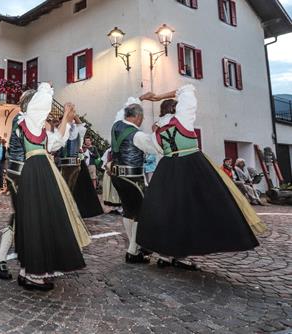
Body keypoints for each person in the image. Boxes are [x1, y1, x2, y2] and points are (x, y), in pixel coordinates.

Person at [137, 85, 264, 270]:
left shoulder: (157, 132)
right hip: (191, 166)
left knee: (169, 211)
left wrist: (146, 103)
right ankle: (180, 256)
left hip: (167, 170)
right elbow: (186, 88)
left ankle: (164, 254)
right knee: (194, 210)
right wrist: (156, 97)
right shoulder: (183, 119)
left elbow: (152, 147)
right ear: (176, 108)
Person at [15, 83, 90, 291]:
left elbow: (56, 142)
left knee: (40, 219)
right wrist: (46, 89)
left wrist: (67, 116)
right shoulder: (28, 120)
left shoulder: (34, 127)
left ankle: (27, 271)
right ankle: (34, 275)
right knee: (38, 219)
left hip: (41, 170)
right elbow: (40, 106)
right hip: (37, 172)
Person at [0, 90, 36, 280]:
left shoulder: (27, 120)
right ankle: (23, 265)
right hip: (19, 174)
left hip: (24, 173)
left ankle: (1, 259)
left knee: (22, 216)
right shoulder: (22, 119)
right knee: (24, 216)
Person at [110, 99, 158, 264]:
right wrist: (156, 133)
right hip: (132, 178)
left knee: (128, 211)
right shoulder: (137, 134)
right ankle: (133, 250)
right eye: (142, 117)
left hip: (117, 176)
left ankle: (135, 248)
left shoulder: (116, 126)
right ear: (138, 117)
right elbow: (154, 148)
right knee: (141, 213)